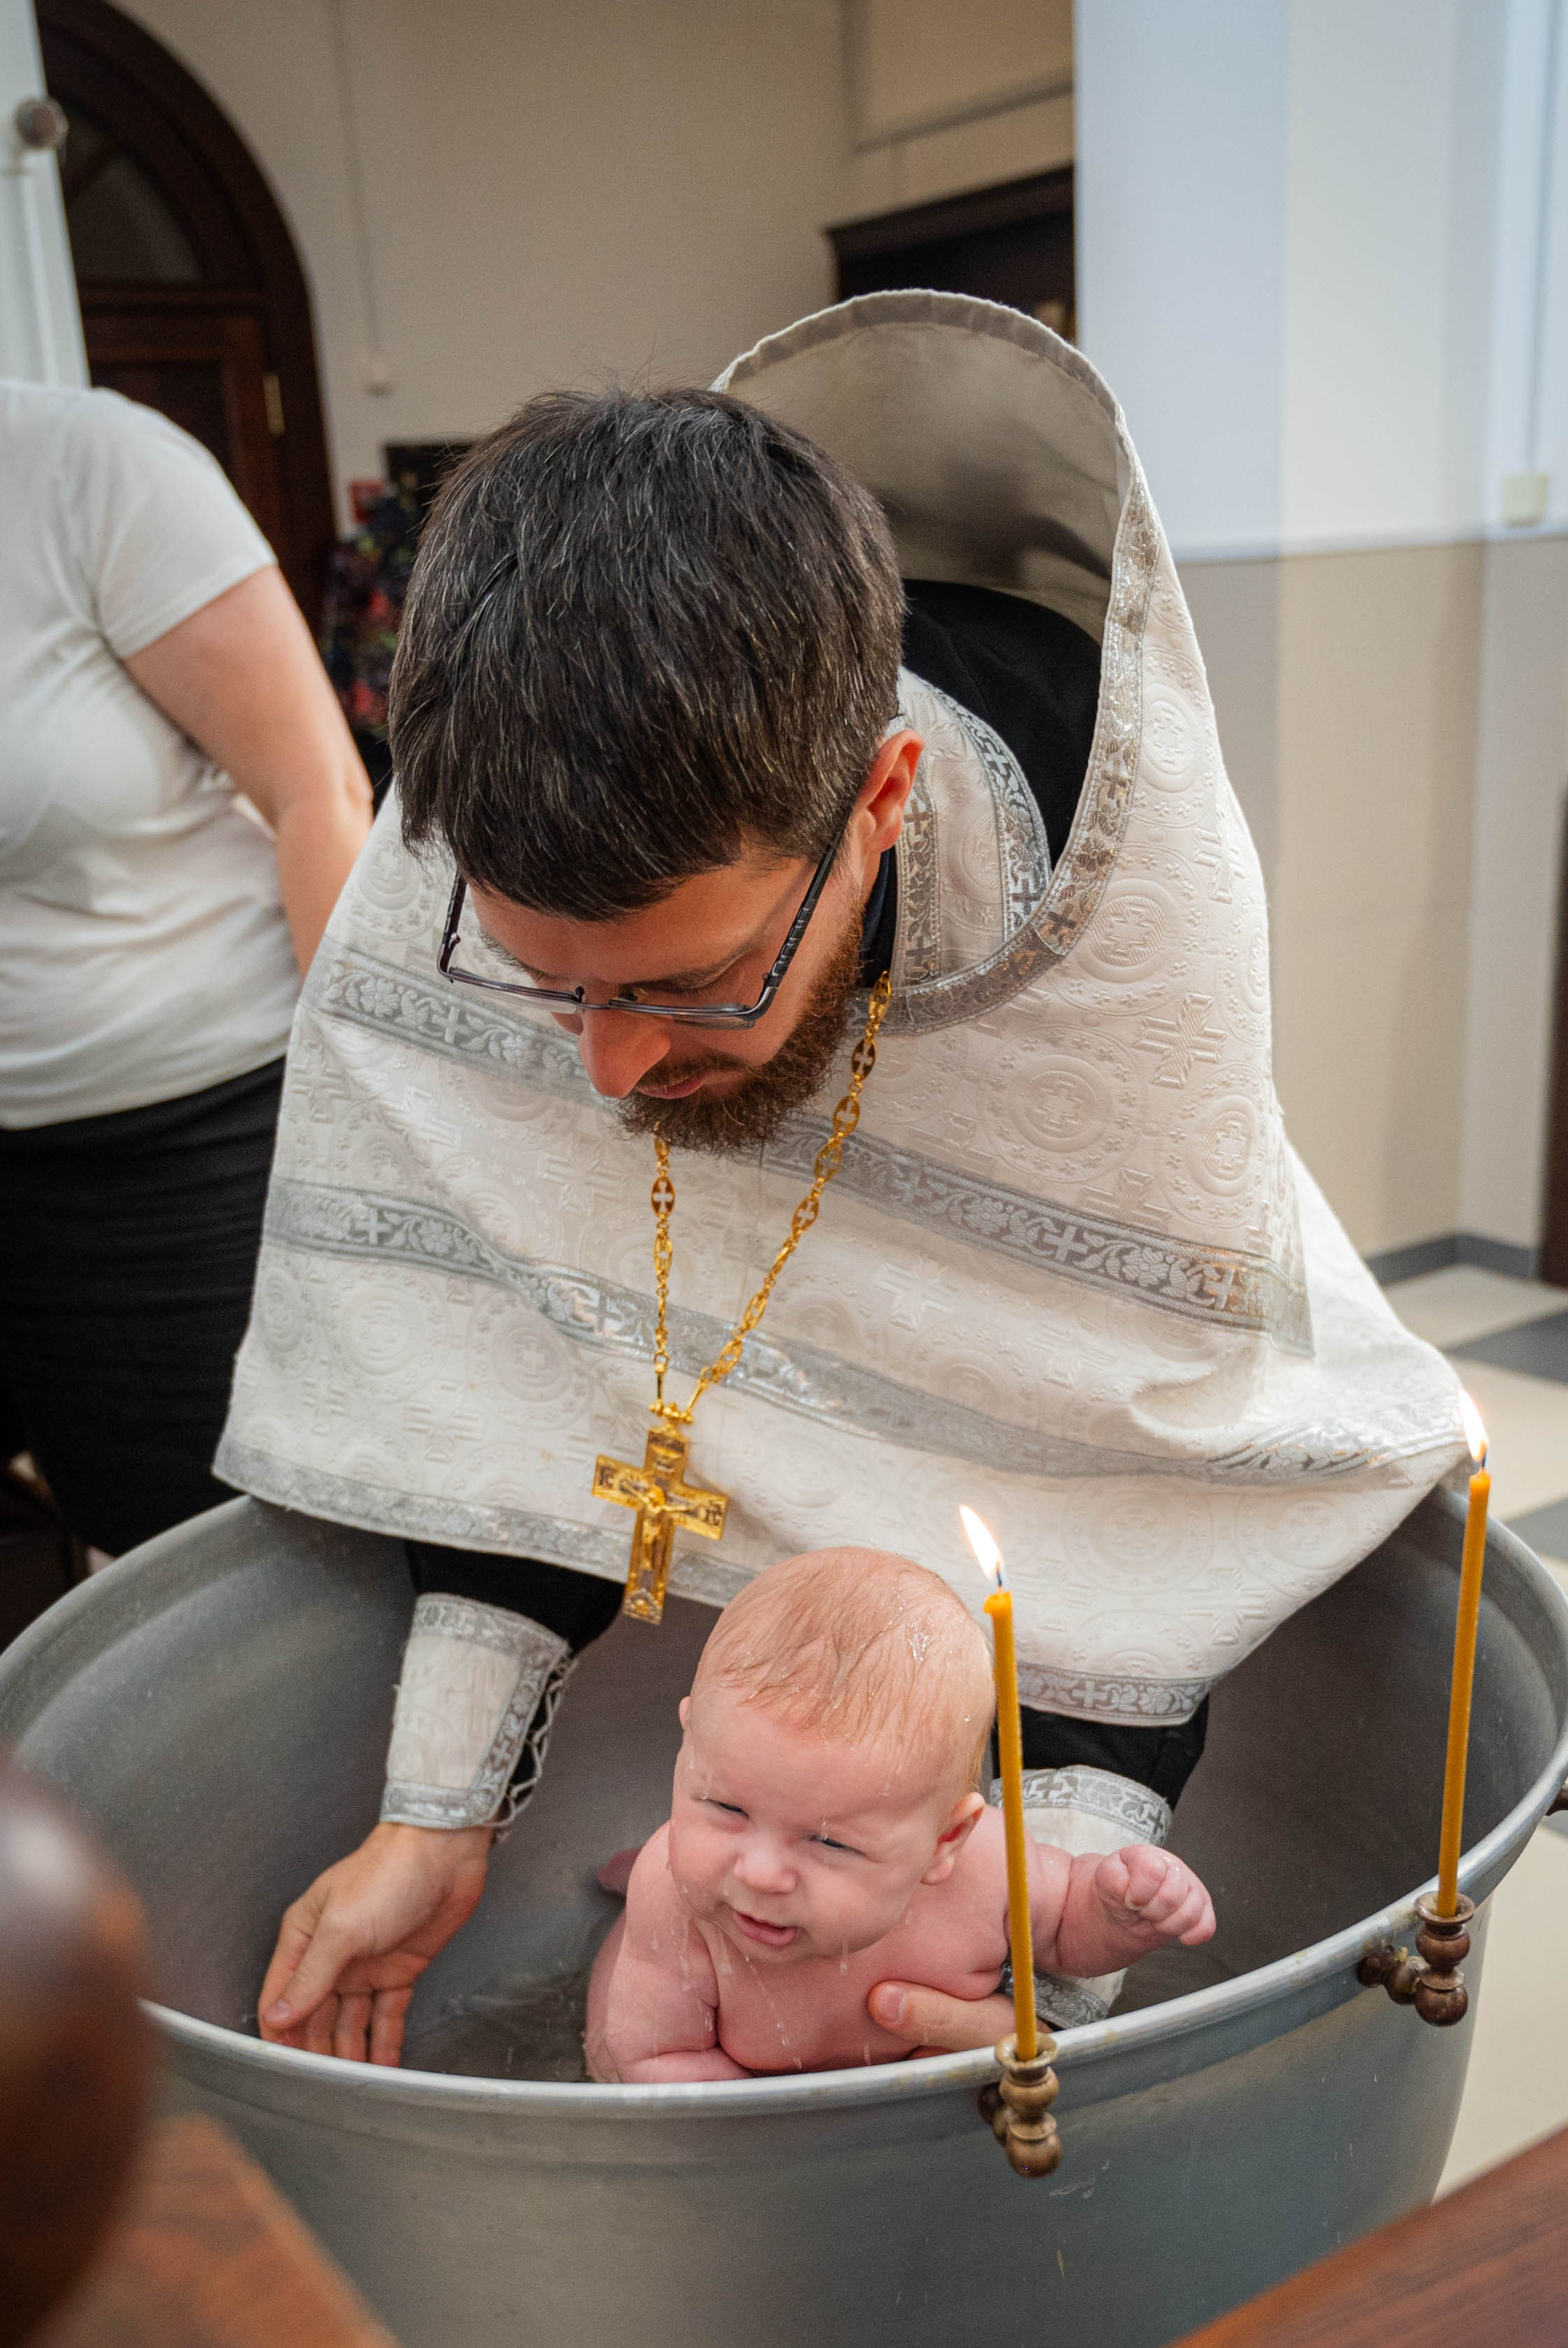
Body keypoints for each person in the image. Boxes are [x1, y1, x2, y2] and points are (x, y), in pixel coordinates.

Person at [236, 295, 1464, 2070]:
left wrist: (1054, 1941)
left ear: (881, 795)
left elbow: (1115, 1505)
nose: (605, 1072)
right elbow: (515, 1376)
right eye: (550, 984)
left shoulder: (1128, 929)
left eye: (681, 980)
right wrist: (439, 1813)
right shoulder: (465, 826)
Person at [0, 380, 372, 1559]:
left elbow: (319, 793)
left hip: (199, 1140)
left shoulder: (90, 470)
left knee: (223, 1561)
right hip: (16, 1175)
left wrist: (356, 1117)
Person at [586, 1548, 1216, 2082]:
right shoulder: (674, 1902)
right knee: (618, 2009)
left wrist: (1122, 1911)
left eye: (829, 1844)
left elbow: (1063, 1938)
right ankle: (626, 1883)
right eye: (726, 1807)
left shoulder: (992, 1866)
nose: (759, 1873)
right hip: (714, 2071)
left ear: (946, 1841)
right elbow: (657, 2063)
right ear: (688, 1739)